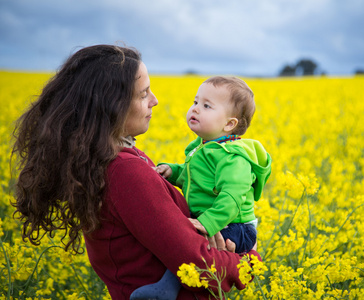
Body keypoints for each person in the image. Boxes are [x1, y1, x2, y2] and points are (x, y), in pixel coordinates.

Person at [11, 44, 261, 300]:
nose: (155, 100)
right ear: (112, 105)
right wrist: (251, 258)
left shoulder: (109, 158)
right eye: (143, 95)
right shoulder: (125, 171)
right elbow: (198, 264)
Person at [132, 76, 272, 299]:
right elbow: (196, 179)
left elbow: (232, 199)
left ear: (229, 124)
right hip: (217, 218)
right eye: (195, 102)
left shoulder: (233, 158)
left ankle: (166, 289)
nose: (195, 109)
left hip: (234, 225)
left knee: (190, 243)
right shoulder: (204, 147)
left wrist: (206, 223)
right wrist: (174, 172)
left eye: (206, 106)